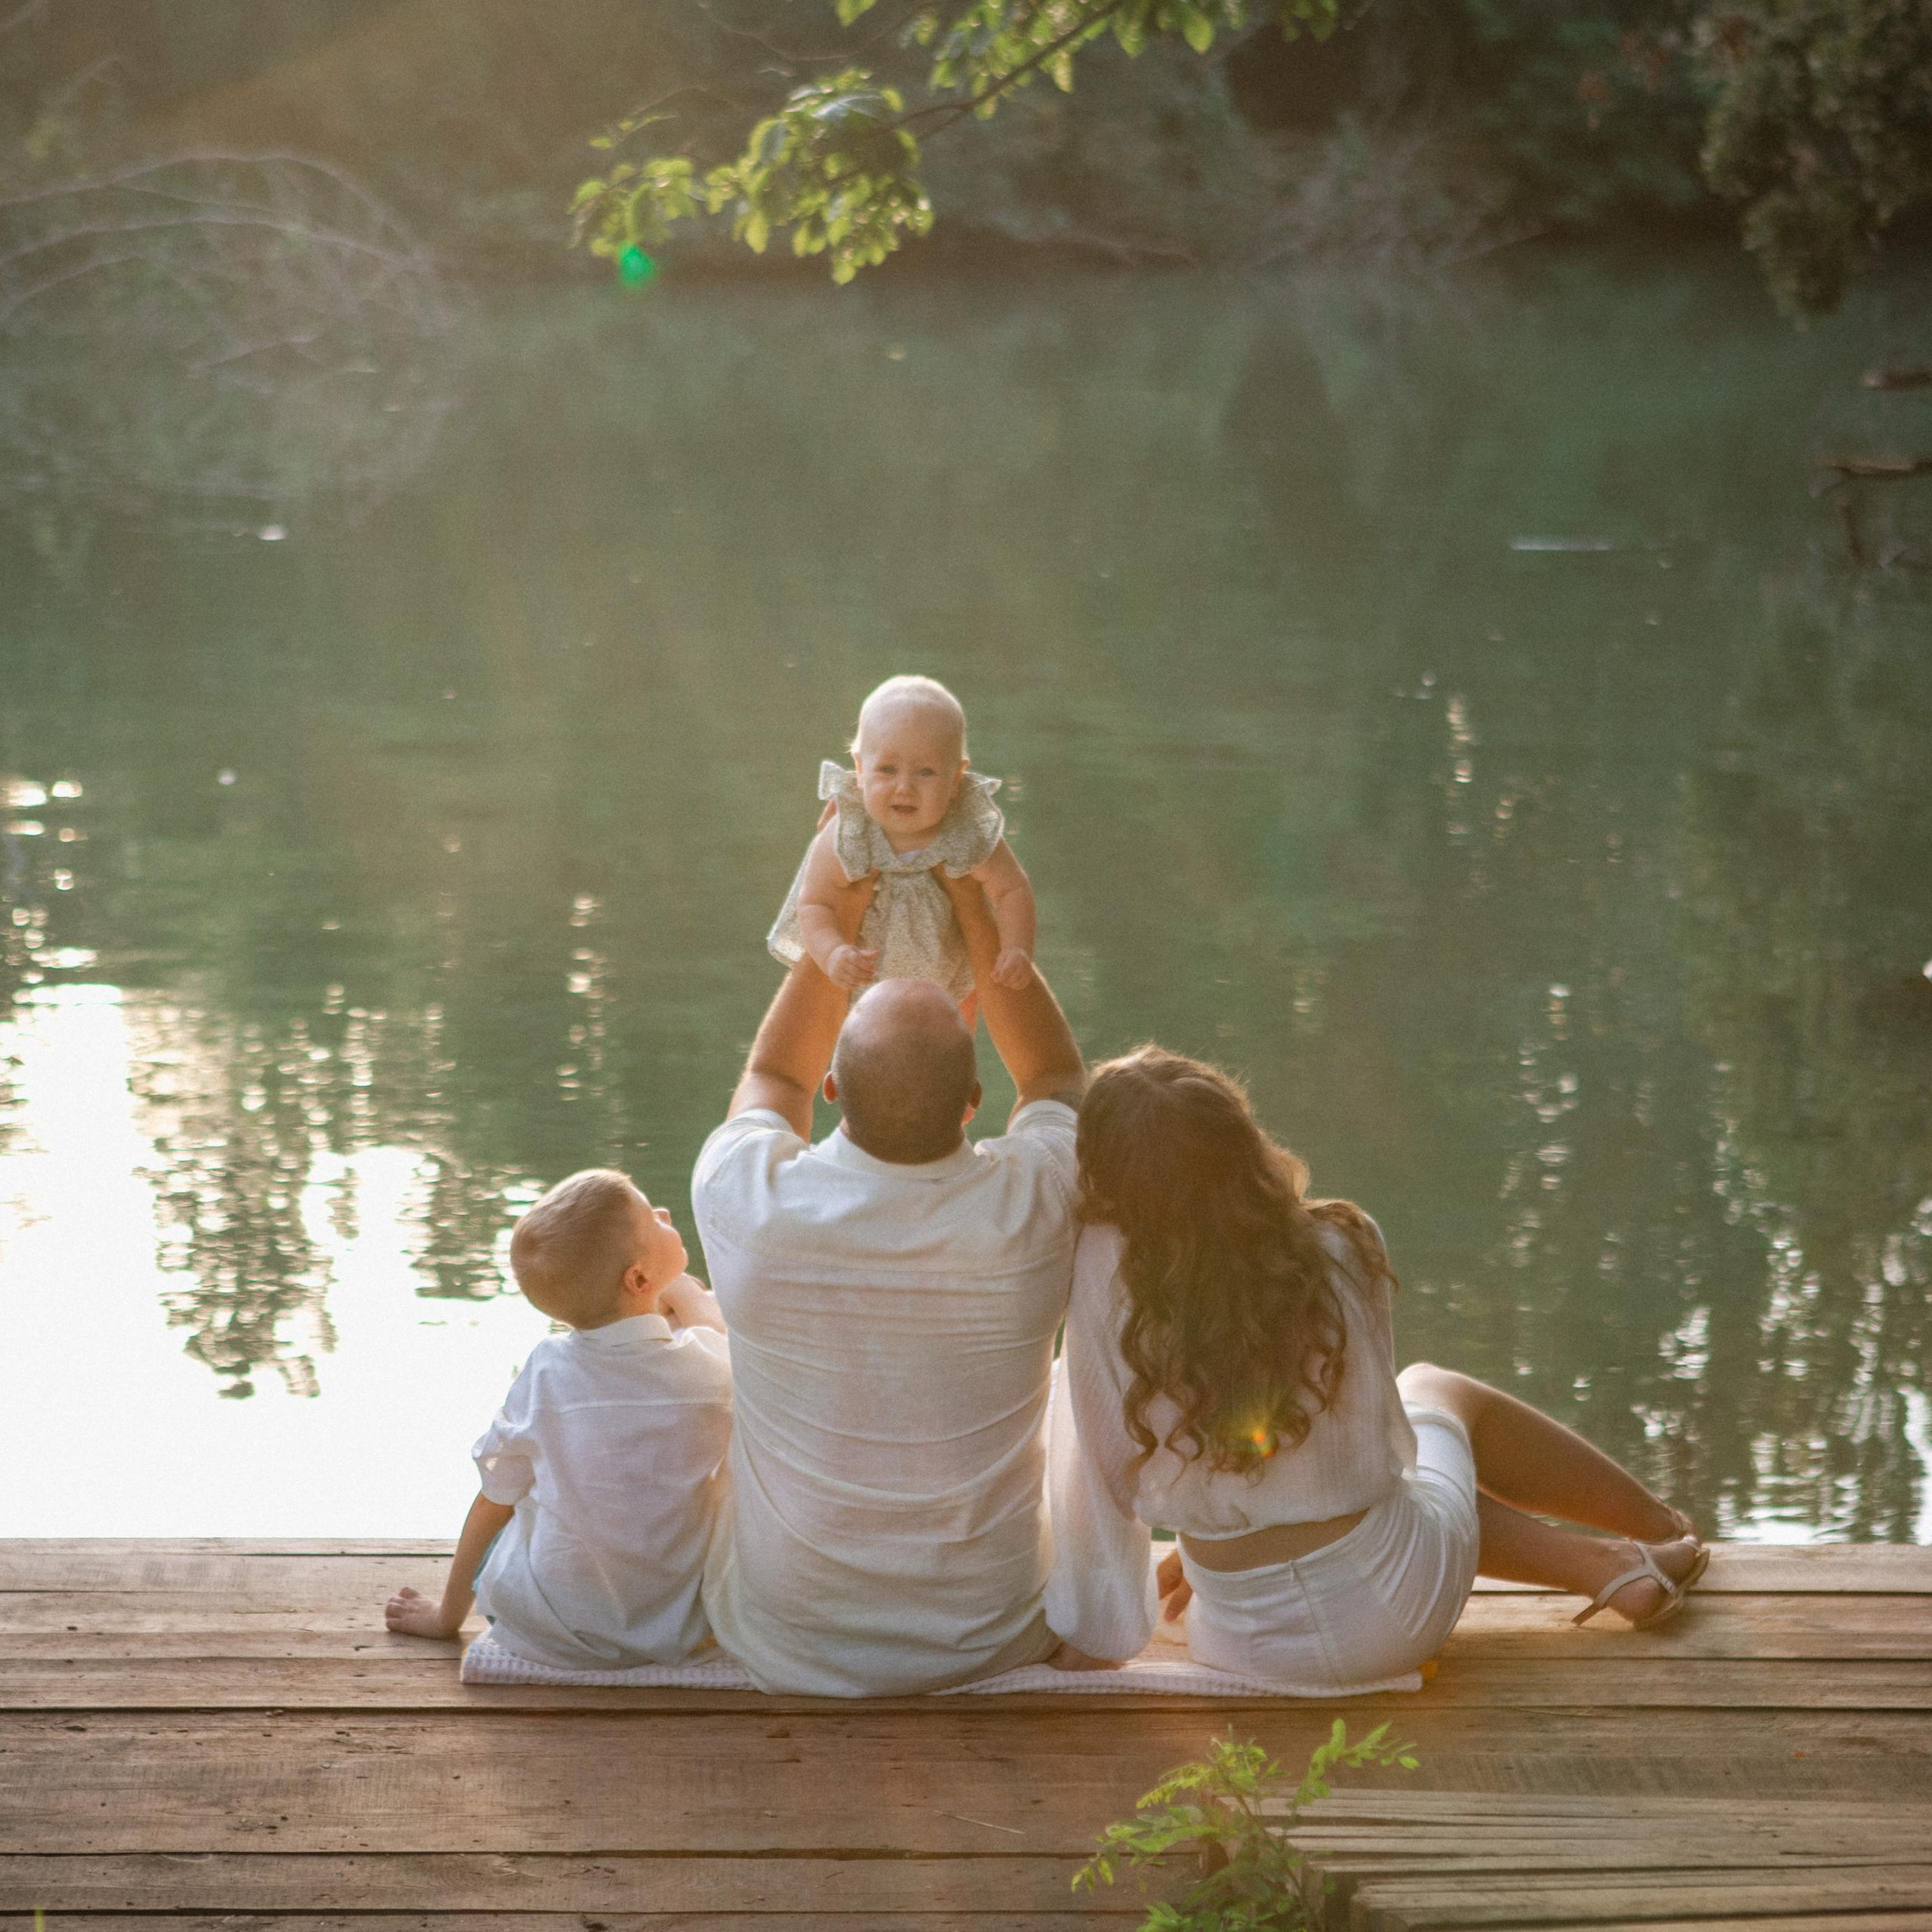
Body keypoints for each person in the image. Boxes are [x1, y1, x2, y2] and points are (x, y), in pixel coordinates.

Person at [1045, 1048, 1709, 1687]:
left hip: (1240, 1644)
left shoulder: (1103, 1271)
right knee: (1432, 1388)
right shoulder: (1340, 1241)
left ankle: (1619, 1565)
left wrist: (1199, 1538)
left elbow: (1102, 1469)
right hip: (1397, 1614)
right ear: (1241, 1144)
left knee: (1405, 1478)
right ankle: (1656, 1532)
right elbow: (1381, 1452)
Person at [693, 869, 1087, 1695]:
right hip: (989, 1635)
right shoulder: (1037, 1201)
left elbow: (775, 1077)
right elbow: (1052, 1077)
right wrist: (975, 908)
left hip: (787, 1637)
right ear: (974, 1102)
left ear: (837, 1092)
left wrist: (835, 916)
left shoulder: (753, 1206)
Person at [383, 1169, 732, 1669]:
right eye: (653, 1221)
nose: (664, 1216)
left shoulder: (546, 1371)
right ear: (639, 1280)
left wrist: (446, 1617)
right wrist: (689, 1295)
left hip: (553, 1625)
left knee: (514, 1486)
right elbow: (719, 1337)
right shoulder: (705, 1367)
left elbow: (493, 1501)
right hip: (677, 1626)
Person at [768, 675, 1036, 1002]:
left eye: (925, 772)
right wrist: (834, 953)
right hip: (861, 980)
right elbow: (813, 904)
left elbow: (1012, 890)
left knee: (958, 1023)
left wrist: (1016, 947)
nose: (904, 787)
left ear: (955, 779)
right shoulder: (849, 834)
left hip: (949, 979)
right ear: (860, 770)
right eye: (887, 770)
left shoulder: (966, 832)